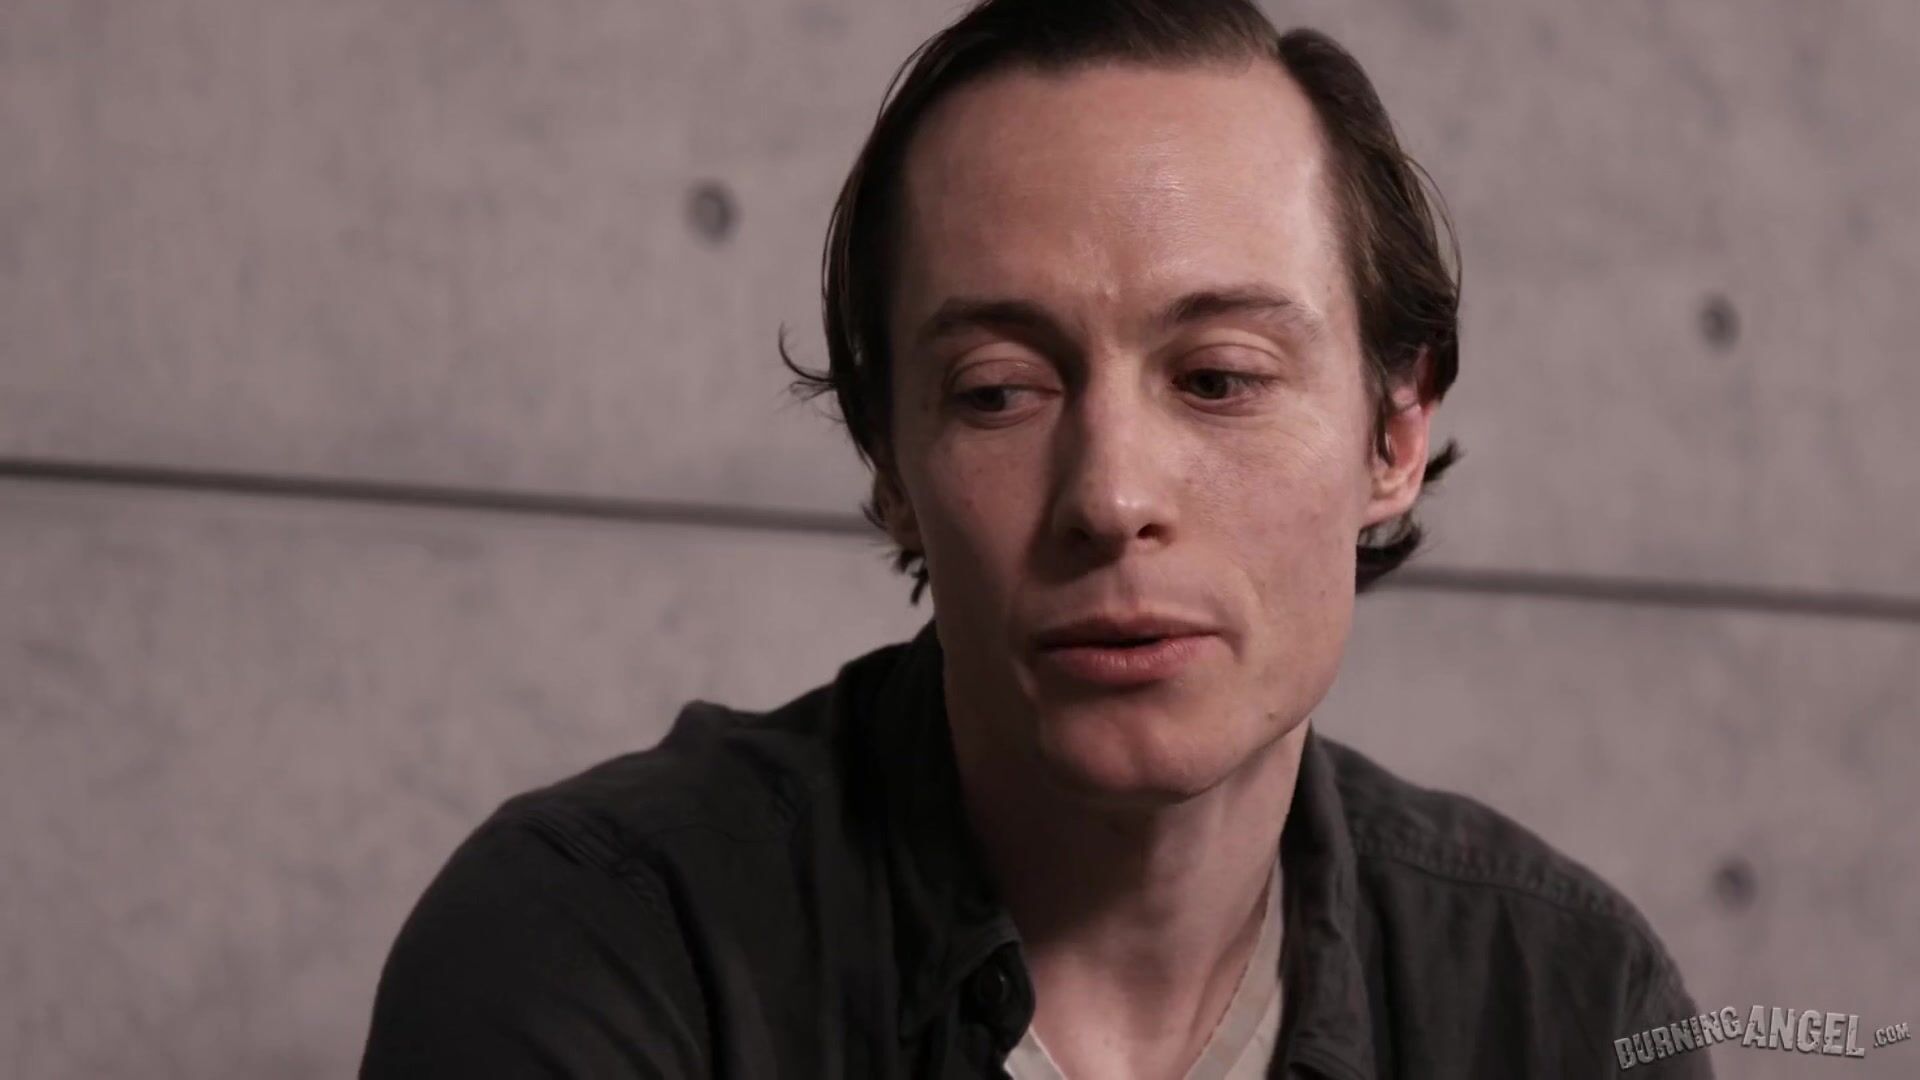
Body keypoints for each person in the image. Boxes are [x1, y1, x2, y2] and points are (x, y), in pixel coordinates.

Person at [362, 1, 1709, 1076]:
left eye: (1219, 377)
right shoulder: (608, 944)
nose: (1110, 496)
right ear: (890, 461)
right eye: (999, 391)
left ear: (1394, 434)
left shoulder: (1564, 1003)